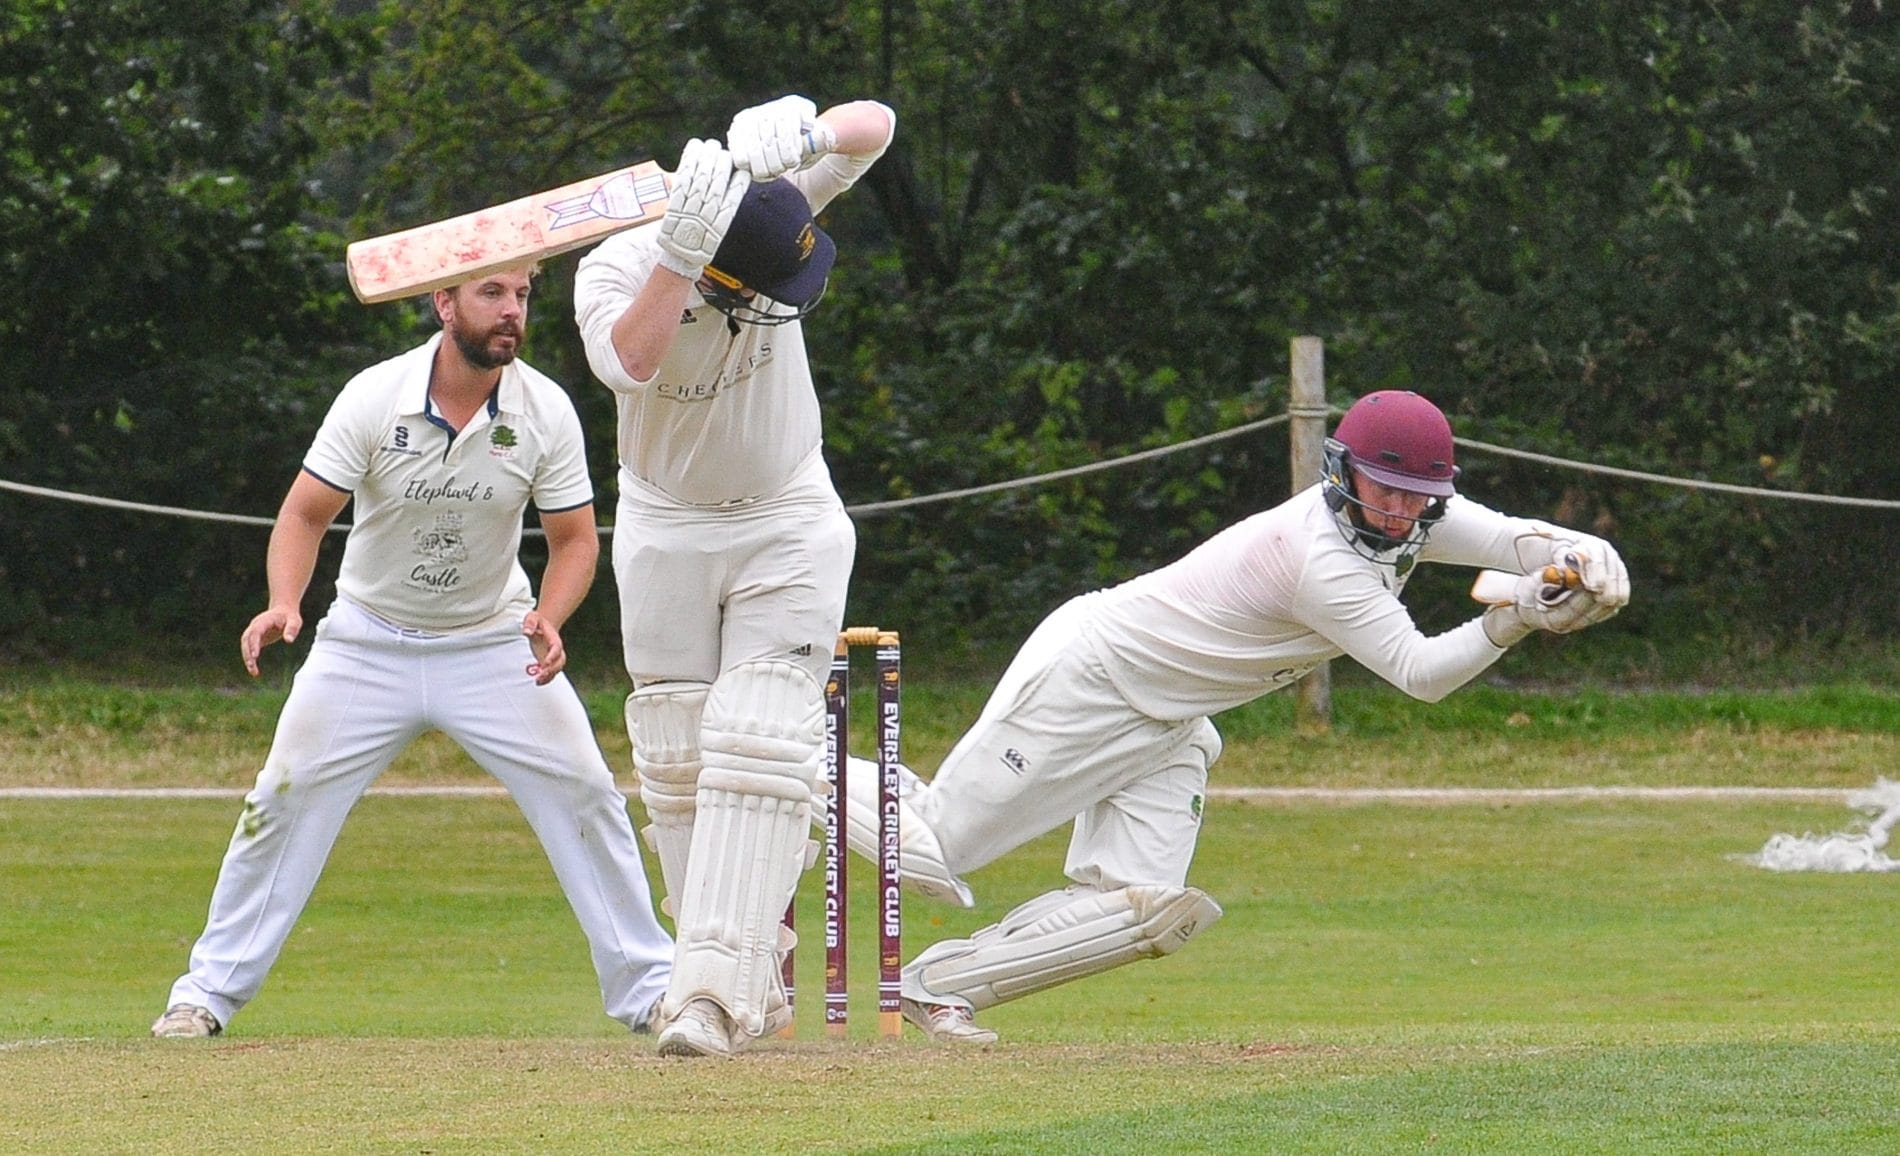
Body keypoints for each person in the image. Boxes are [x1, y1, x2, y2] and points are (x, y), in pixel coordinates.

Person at [827, 389, 1632, 1044]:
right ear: (1341, 472)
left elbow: (1522, 542)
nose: (1395, 513)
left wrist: (1589, 558)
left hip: (1172, 724)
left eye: (1416, 499)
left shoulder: (1415, 517)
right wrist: (1513, 619)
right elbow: (1420, 674)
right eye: (1383, 491)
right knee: (935, 848)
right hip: (1093, 677)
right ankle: (786, 754)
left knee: (1138, 907)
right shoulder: (1320, 558)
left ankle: (937, 983)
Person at [151, 266, 673, 1039]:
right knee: (282, 796)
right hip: (369, 641)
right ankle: (204, 996)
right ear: (444, 302)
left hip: (494, 641)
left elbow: (572, 542)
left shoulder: (545, 410)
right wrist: (285, 603)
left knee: (586, 790)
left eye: (521, 297)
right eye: (492, 294)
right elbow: (302, 515)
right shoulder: (374, 396)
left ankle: (652, 991)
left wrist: (550, 618)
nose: (511, 313)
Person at [571, 94, 896, 1058]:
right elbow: (626, 363)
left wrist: (802, 132)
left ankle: (709, 998)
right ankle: (754, 966)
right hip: (665, 521)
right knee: (677, 759)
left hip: (788, 514)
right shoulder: (619, 265)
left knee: (757, 740)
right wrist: (675, 254)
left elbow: (876, 124)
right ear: (712, 274)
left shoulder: (768, 207)